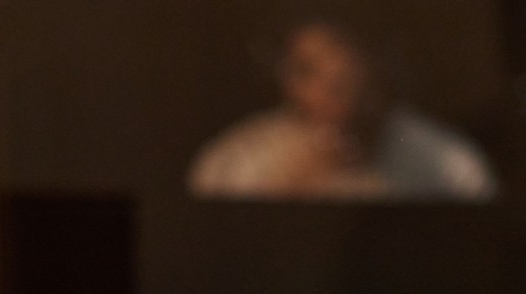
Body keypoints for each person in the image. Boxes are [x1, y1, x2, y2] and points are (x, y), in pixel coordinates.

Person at [189, 20, 496, 202]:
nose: (329, 90)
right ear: (286, 77)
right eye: (309, 71)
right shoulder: (238, 158)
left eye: (343, 77)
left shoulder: (447, 161)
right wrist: (295, 182)